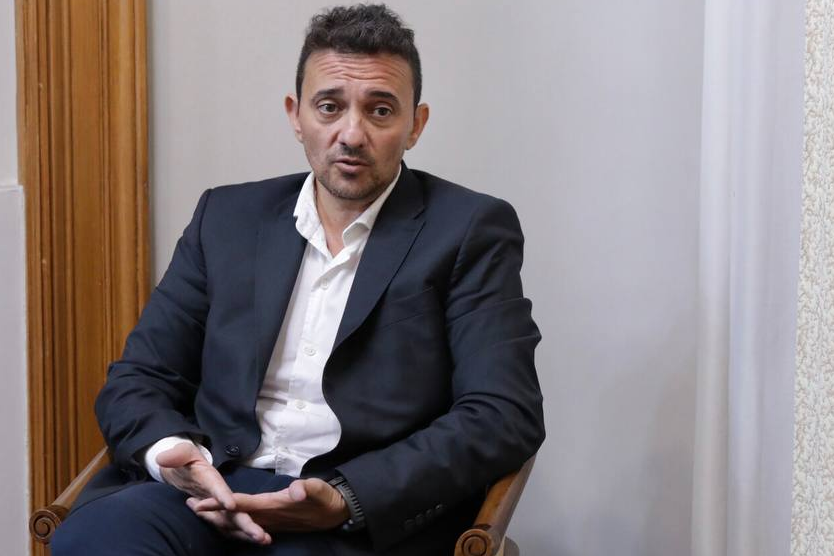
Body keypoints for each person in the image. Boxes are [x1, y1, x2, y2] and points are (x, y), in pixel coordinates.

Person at [51, 4, 544, 555]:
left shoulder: (470, 229)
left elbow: (503, 413)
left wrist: (346, 497)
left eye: (380, 111)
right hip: (210, 483)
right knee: (96, 539)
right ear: (296, 115)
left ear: (415, 125)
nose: (351, 134)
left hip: (349, 511)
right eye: (329, 107)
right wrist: (172, 453)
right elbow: (141, 374)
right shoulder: (227, 218)